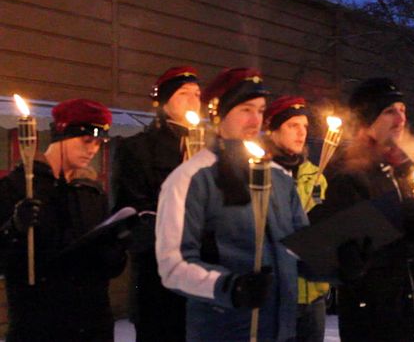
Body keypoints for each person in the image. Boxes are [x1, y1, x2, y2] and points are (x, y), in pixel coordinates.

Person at [155, 68, 308, 342]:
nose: (255, 120)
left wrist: (334, 262)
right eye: (246, 109)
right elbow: (174, 265)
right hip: (224, 330)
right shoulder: (191, 178)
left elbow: (299, 246)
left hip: (279, 331)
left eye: (260, 111)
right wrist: (229, 286)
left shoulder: (280, 178)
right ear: (218, 114)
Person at [308, 77, 414, 342]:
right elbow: (355, 260)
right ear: (367, 121)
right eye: (390, 111)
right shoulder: (349, 175)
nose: (401, 118)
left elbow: (399, 233)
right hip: (372, 322)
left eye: (402, 110)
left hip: (402, 313)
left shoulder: (391, 172)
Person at [0, 99, 127, 342]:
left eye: (99, 143)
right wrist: (14, 228)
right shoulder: (17, 187)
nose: (93, 149)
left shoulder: (92, 193)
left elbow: (107, 269)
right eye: (86, 140)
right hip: (40, 325)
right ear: (61, 135)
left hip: (93, 325)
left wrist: (117, 247)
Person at [112, 66, 200, 342]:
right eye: (184, 94)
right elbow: (129, 216)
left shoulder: (212, 151)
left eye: (198, 95)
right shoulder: (137, 149)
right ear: (163, 102)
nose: (194, 100)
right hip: (157, 280)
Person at [262, 95, 329, 342]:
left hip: (313, 293)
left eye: (304, 127)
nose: (301, 133)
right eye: (293, 126)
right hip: (276, 294)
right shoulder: (259, 173)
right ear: (273, 131)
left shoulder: (316, 176)